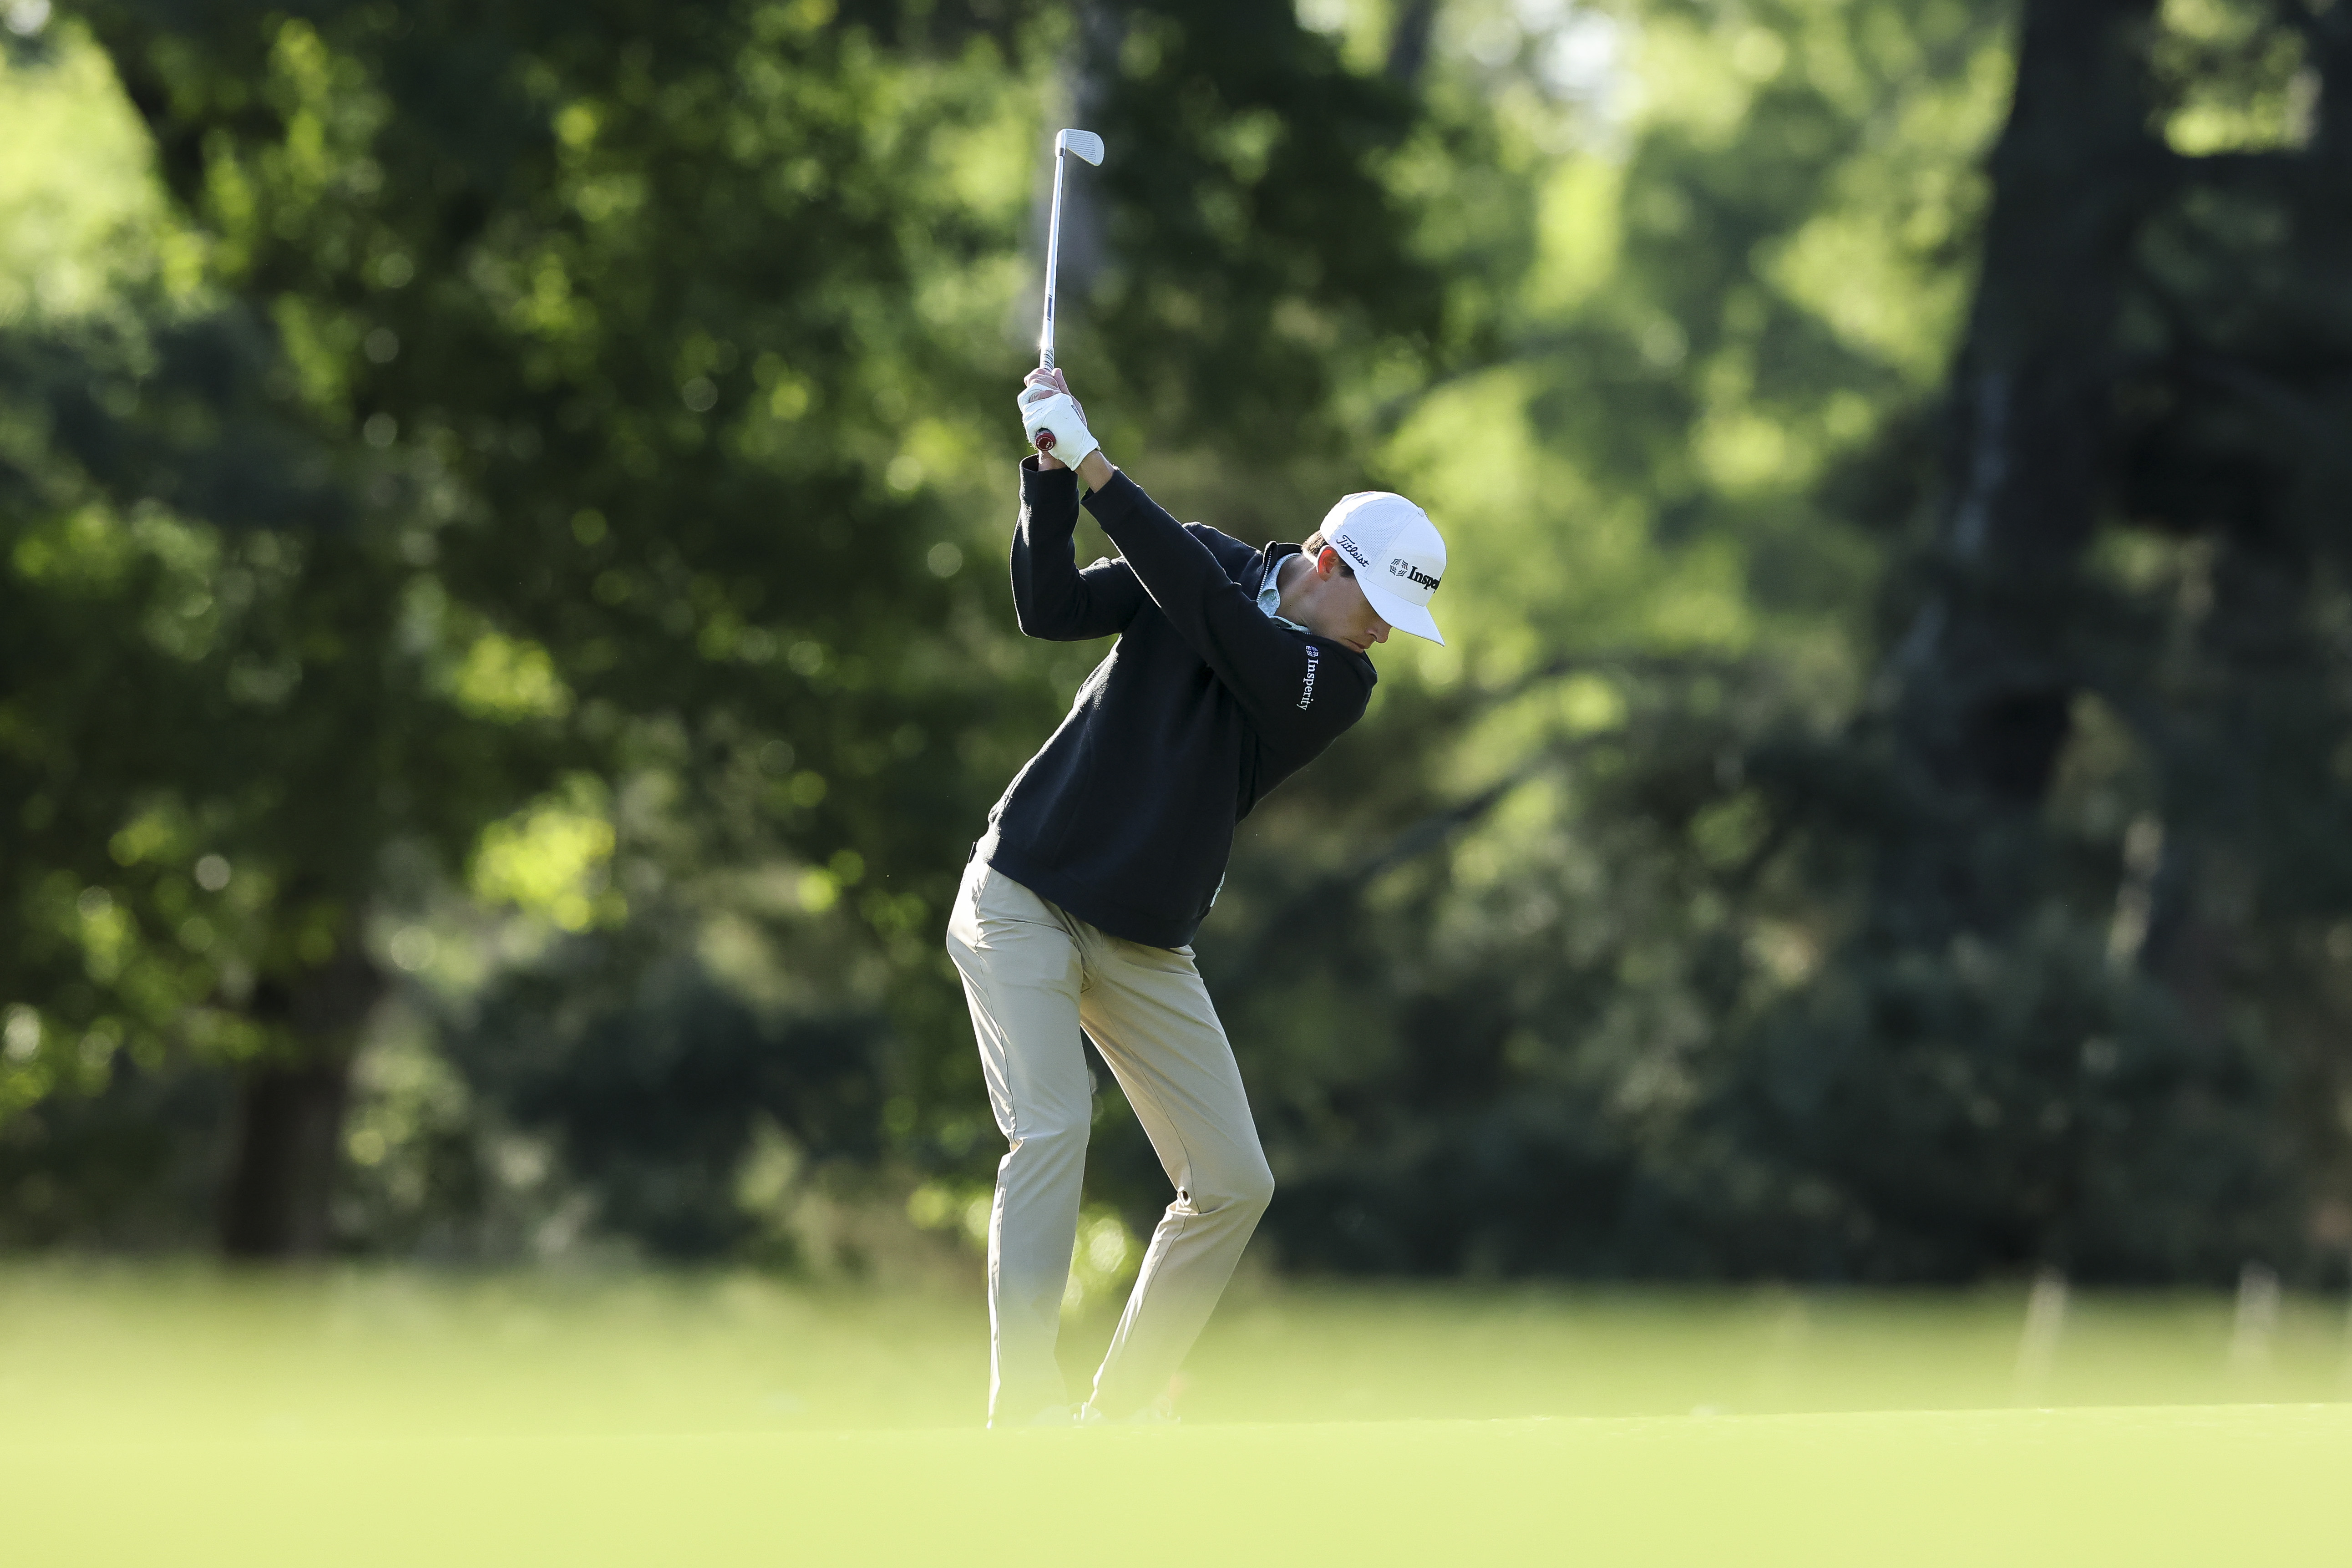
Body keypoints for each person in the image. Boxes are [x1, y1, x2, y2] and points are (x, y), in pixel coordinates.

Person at [944, 367, 1450, 1427]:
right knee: (1049, 1128)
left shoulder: (1333, 684)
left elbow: (1222, 626)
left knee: (1233, 1179)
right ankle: (1021, 1412)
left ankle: (1113, 1418)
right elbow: (1052, 608)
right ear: (1322, 562)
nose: (1386, 634)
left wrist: (1097, 467)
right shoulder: (1209, 556)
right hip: (1024, 892)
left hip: (1144, 945)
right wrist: (1047, 479)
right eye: (1379, 604)